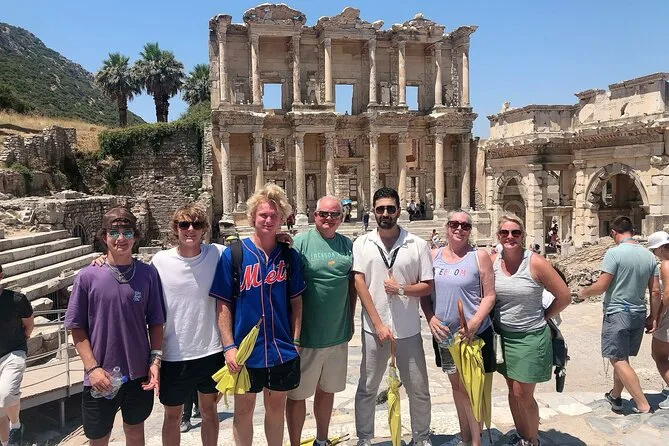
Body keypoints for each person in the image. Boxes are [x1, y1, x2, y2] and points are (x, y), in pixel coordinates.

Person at [210, 183, 305, 446]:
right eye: (263, 215)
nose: (268, 220)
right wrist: (229, 346)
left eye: (274, 215)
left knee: (276, 411)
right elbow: (222, 305)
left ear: (282, 218)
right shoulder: (235, 254)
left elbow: (297, 301)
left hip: (281, 348)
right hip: (245, 351)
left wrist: (296, 340)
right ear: (252, 217)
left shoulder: (289, 257)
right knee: (243, 412)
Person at [65, 207, 166, 445]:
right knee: (98, 438)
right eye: (114, 232)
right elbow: (76, 327)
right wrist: (92, 368)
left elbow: (156, 322)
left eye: (127, 233)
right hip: (100, 374)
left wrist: (155, 362)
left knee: (135, 431)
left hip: (138, 373)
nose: (121, 238)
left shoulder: (148, 274)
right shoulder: (87, 276)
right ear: (104, 237)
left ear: (135, 236)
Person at [353, 187, 434, 446]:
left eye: (390, 208)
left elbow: (427, 286)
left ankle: (420, 438)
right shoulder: (362, 244)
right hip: (374, 330)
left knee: (418, 389)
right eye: (380, 209)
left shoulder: (418, 245)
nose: (385, 213)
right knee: (368, 387)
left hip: (407, 328)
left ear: (399, 210)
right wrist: (378, 324)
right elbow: (359, 283)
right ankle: (365, 438)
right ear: (373, 212)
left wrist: (400, 289)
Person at [491, 213, 570, 446]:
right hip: (503, 336)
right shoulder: (492, 261)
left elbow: (564, 296)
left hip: (530, 336)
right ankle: (522, 436)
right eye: (505, 232)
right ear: (498, 235)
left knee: (522, 393)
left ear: (523, 235)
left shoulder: (536, 262)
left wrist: (545, 315)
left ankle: (532, 440)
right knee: (511, 389)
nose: (510, 236)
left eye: (515, 232)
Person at [421, 210, 495, 446]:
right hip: (445, 335)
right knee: (457, 387)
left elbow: (489, 295)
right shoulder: (433, 256)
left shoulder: (479, 256)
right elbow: (425, 294)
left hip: (472, 334)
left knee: (471, 386)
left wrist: (474, 323)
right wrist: (430, 318)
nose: (459, 229)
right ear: (447, 227)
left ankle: (476, 440)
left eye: (465, 225)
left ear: (470, 230)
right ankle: (465, 436)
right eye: (454, 224)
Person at [152, 205, 226, 446]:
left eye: (197, 224)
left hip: (211, 351)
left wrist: (279, 238)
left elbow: (250, 250)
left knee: (209, 412)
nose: (190, 229)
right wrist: (103, 260)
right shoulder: (160, 261)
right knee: (172, 417)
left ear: (204, 229)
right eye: (184, 224)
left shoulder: (217, 253)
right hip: (174, 354)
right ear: (176, 229)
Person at [286, 195, 355, 446]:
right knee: (297, 395)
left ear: (341, 217)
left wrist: (350, 318)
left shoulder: (347, 245)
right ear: (314, 215)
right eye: (323, 214)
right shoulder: (300, 244)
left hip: (337, 334)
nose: (329, 218)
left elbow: (352, 285)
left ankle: (322, 440)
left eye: (334, 214)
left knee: (327, 390)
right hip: (307, 336)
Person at [578, 216, 659, 414]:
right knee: (623, 357)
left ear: (614, 232)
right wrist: (654, 316)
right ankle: (615, 396)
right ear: (632, 231)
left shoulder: (613, 253)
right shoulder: (649, 256)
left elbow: (602, 285)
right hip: (639, 312)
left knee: (617, 359)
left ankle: (642, 404)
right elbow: (656, 291)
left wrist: (583, 292)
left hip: (617, 312)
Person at [0, 264, 34, 446]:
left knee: (5, 395)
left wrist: (24, 338)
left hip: (13, 352)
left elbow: (29, 324)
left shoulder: (16, 300)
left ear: (1, 276)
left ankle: (16, 425)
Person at [647, 231, 669, 409]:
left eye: (654, 251)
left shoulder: (666, 264)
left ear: (661, 248)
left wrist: (658, 315)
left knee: (659, 355)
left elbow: (666, 294)